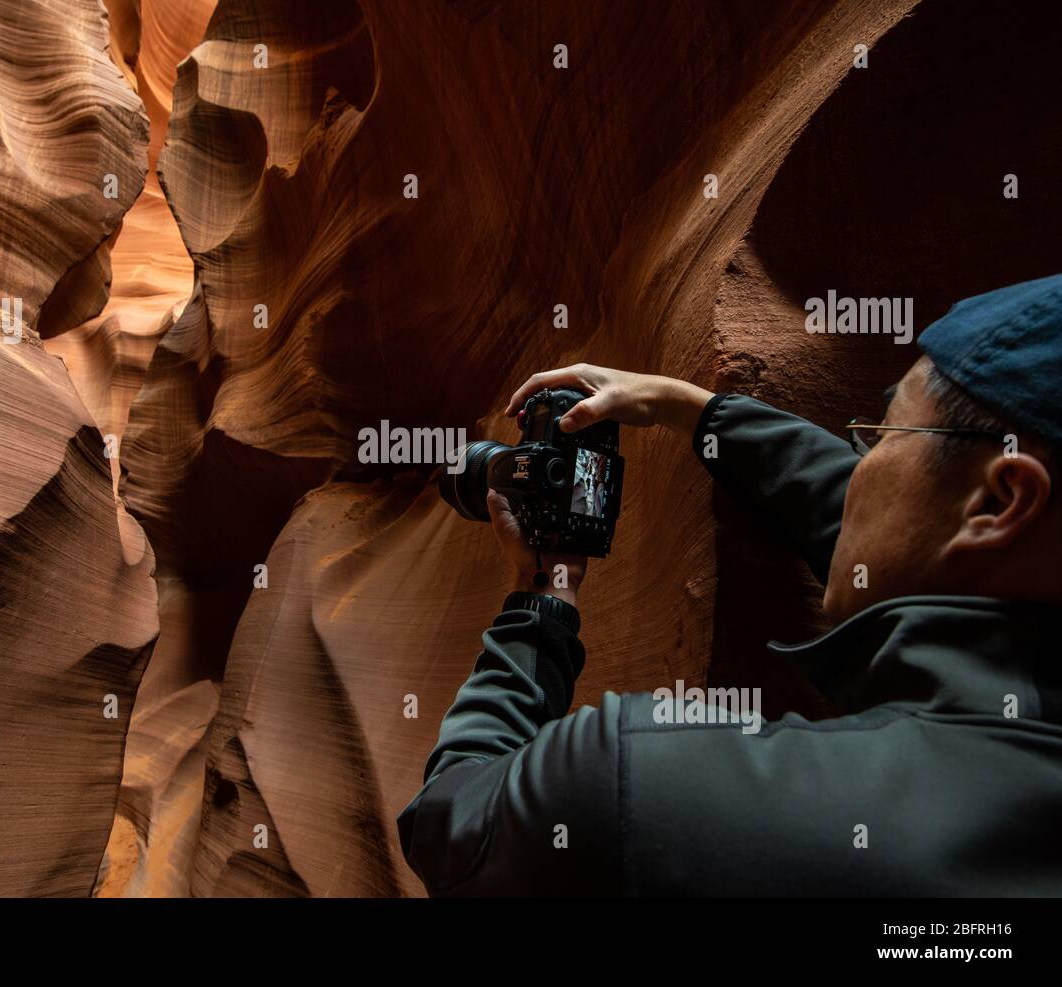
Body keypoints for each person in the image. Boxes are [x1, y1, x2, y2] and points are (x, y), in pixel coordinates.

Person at [396, 274, 1062, 896]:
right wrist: (688, 407)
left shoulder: (636, 784)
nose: (856, 462)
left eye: (881, 434)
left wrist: (539, 601)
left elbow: (451, 822)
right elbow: (908, 536)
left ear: (1002, 500)